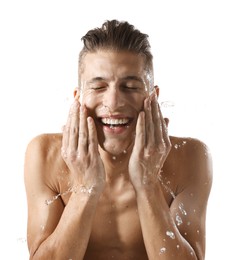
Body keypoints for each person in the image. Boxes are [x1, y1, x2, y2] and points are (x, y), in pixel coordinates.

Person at [24, 19, 213, 260]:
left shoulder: (190, 157)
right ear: (78, 99)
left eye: (131, 86)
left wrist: (147, 183)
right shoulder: (45, 155)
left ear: (153, 97)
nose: (113, 103)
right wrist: (85, 188)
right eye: (99, 87)